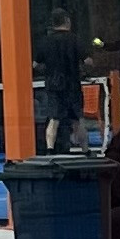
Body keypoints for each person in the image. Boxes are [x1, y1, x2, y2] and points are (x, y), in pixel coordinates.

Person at [33, 9, 87, 154]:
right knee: (77, 120)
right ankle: (85, 150)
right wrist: (82, 69)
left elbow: (35, 64)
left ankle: (50, 149)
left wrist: (48, 70)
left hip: (53, 85)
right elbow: (88, 61)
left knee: (54, 119)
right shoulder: (75, 40)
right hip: (73, 85)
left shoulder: (45, 42)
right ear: (67, 21)